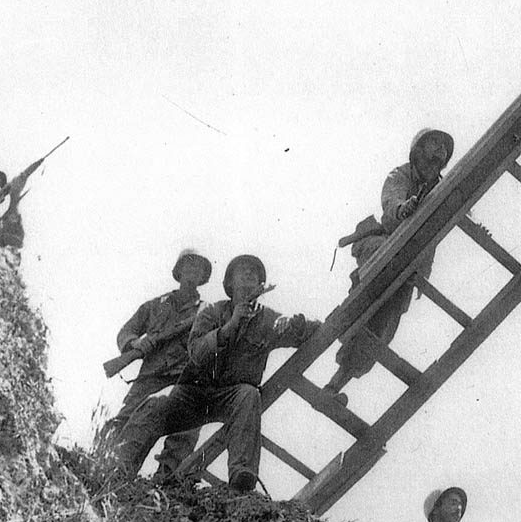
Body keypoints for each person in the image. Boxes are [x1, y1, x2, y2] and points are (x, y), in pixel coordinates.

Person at [115, 254, 320, 492]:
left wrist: (297, 323)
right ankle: (118, 473)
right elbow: (196, 353)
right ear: (229, 283)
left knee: (249, 395)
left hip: (232, 398)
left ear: (261, 285)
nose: (248, 274)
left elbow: (313, 330)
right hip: (193, 394)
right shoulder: (211, 312)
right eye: (242, 271)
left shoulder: (268, 319)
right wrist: (230, 327)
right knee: (153, 405)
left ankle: (242, 475)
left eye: (254, 273)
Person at [323, 128, 454, 405]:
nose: (440, 150)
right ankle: (331, 331)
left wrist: (423, 273)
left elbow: (443, 222)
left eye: (443, 147)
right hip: (382, 246)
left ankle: (335, 384)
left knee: (383, 324)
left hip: (409, 265)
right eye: (434, 143)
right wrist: (403, 208)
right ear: (418, 149)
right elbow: (391, 200)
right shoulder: (401, 174)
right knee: (366, 297)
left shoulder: (442, 188)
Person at [99, 249, 212, 480]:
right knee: (125, 421)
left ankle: (166, 481)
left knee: (185, 430)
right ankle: (105, 469)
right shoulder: (155, 306)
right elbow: (127, 331)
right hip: (150, 376)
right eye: (189, 265)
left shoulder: (208, 311)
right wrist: (136, 343)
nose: (193, 271)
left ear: (203, 276)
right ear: (179, 271)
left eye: (198, 268)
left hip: (183, 377)